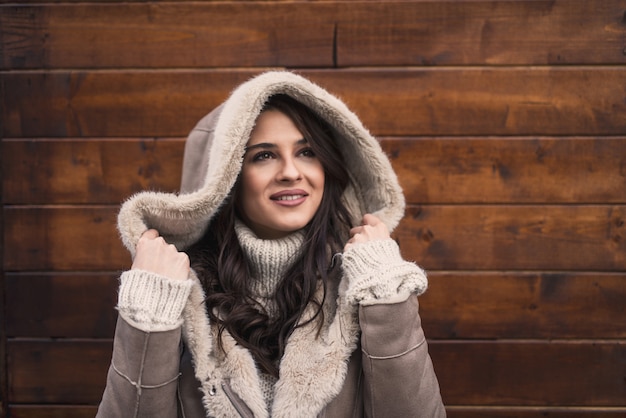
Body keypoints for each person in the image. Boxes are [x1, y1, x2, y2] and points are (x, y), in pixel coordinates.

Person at [97, 71, 445, 417]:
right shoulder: (176, 293)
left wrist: (385, 294)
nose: (291, 172)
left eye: (307, 151)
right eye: (264, 155)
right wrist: (149, 313)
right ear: (226, 179)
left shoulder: (363, 283)